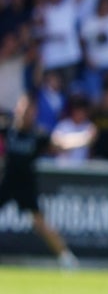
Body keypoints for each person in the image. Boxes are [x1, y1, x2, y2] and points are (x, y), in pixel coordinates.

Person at [0, 92, 80, 268]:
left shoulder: (37, 135)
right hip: (6, 182)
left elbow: (62, 144)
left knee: (41, 224)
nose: (26, 112)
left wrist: (84, 138)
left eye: (30, 109)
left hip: (26, 185)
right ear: (18, 109)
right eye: (23, 108)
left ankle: (66, 258)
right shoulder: (8, 129)